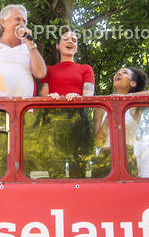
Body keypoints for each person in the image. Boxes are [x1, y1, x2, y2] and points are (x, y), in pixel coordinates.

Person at [25, 29, 96, 179]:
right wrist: (51, 96)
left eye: (74, 40)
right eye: (66, 39)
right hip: (53, 121)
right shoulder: (48, 70)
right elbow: (43, 95)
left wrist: (77, 97)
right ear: (57, 46)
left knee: (78, 168)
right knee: (55, 169)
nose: (70, 41)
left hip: (78, 121)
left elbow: (88, 95)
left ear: (76, 48)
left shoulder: (86, 69)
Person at [92, 66, 149, 177]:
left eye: (124, 72)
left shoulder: (135, 105)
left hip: (127, 157)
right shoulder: (100, 108)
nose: (118, 74)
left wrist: (123, 98)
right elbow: (97, 142)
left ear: (133, 83)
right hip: (103, 158)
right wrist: (108, 118)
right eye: (117, 73)